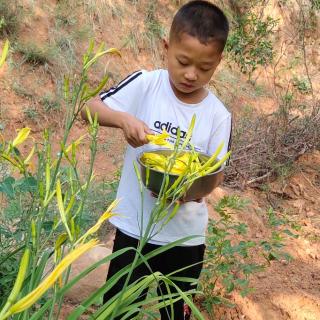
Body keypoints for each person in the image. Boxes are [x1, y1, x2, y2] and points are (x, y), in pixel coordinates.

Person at [83, 1, 231, 319]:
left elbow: (215, 174)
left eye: (204, 68)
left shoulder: (218, 115)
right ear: (166, 47)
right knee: (117, 310)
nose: (191, 74)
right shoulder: (146, 84)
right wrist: (123, 120)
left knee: (175, 314)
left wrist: (187, 192)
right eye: (182, 62)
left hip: (185, 239)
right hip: (134, 229)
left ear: (218, 62)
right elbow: (89, 108)